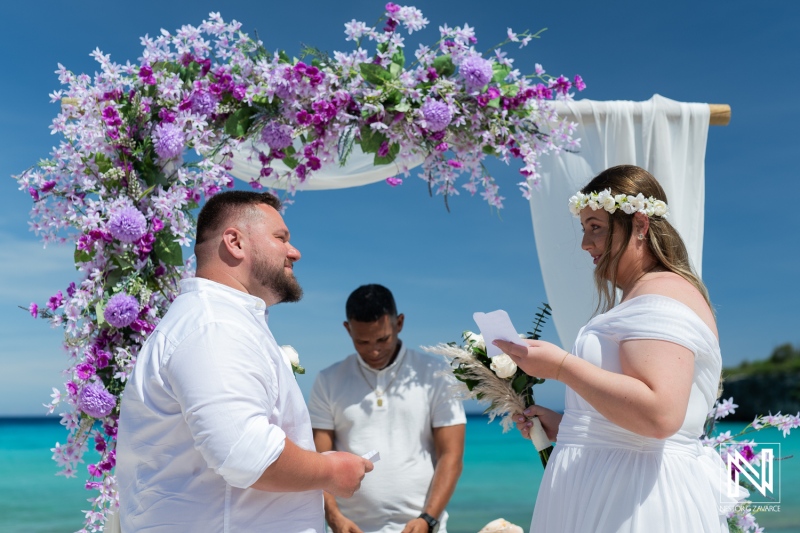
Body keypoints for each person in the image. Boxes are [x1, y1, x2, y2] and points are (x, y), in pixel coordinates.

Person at [494, 165, 745, 532]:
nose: (585, 243)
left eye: (595, 226)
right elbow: (638, 419)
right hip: (618, 491)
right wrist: (570, 426)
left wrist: (561, 367)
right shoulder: (646, 293)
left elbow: (660, 415)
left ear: (640, 225)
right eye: (584, 229)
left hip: (636, 502)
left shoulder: (661, 292)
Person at [116, 191, 373, 532]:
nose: (294, 252)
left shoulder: (217, 321)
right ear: (235, 242)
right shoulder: (214, 326)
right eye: (281, 238)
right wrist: (331, 472)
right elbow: (245, 454)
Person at [308, 284, 466, 533]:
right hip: (350, 527)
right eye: (362, 341)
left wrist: (428, 519)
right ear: (347, 329)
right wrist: (334, 518)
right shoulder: (328, 380)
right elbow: (319, 460)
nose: (374, 350)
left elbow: (452, 456)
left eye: (383, 339)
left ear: (399, 323)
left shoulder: (436, 374)